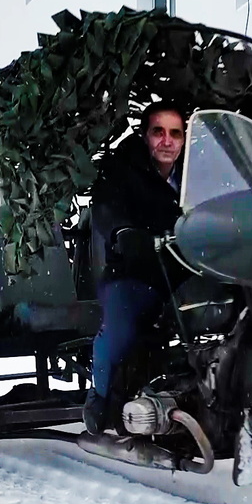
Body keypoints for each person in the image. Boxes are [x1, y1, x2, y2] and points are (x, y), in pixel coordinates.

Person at [82, 101, 188, 434]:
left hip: (183, 271)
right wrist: (122, 232)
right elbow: (106, 205)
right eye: (158, 132)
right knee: (122, 329)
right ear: (145, 136)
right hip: (134, 271)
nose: (167, 141)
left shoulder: (195, 174)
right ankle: (99, 400)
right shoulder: (123, 167)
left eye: (175, 134)